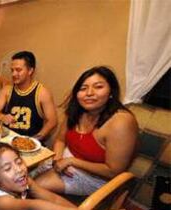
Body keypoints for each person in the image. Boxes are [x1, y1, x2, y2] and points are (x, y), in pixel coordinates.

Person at [34, 66, 138, 195]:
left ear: (111, 91)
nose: (89, 93)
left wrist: (71, 161)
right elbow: (60, 140)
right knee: (22, 174)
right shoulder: (76, 110)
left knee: (36, 186)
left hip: (96, 178)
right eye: (83, 88)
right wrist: (57, 160)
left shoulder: (121, 122)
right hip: (65, 160)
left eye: (98, 87)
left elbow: (113, 170)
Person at [0, 51, 57, 141]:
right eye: (12, 70)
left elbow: (52, 121)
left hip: (30, 141)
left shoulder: (42, 93)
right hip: (7, 138)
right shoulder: (7, 90)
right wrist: (2, 117)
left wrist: (36, 139)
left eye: (18, 70)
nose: (14, 74)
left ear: (30, 70)